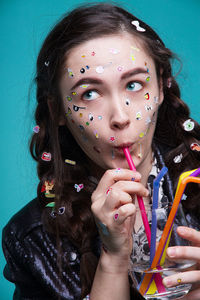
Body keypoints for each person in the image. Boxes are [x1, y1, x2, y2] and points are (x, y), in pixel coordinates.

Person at [2, 2, 200, 300]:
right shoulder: (33, 239)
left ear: (161, 86)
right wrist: (113, 261)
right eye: (90, 94)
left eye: (134, 84)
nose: (120, 117)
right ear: (58, 111)